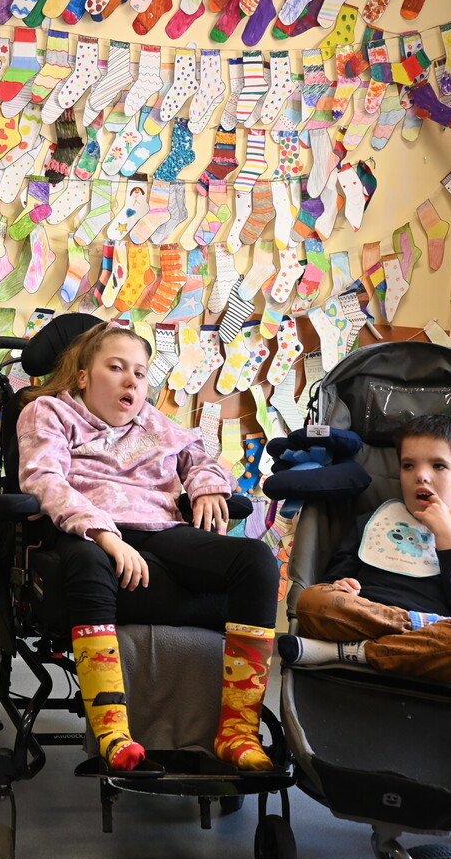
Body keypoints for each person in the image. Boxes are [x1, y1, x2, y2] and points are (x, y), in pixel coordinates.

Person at [15, 320, 282, 773]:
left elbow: (199, 457)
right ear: (83, 376)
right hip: (86, 531)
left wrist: (206, 488)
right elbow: (44, 480)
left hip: (161, 528)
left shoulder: (153, 422)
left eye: (140, 373)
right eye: (116, 367)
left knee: (256, 560)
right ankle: (113, 733)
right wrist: (105, 536)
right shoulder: (49, 412)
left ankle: (237, 733)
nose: (131, 381)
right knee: (88, 561)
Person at [277, 413, 451, 684]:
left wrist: (449, 540)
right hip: (365, 618)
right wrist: (341, 585)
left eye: (438, 466)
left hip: (435, 637)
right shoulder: (373, 520)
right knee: (312, 600)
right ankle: (383, 647)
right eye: (408, 465)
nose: (421, 476)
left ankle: (353, 653)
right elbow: (334, 579)